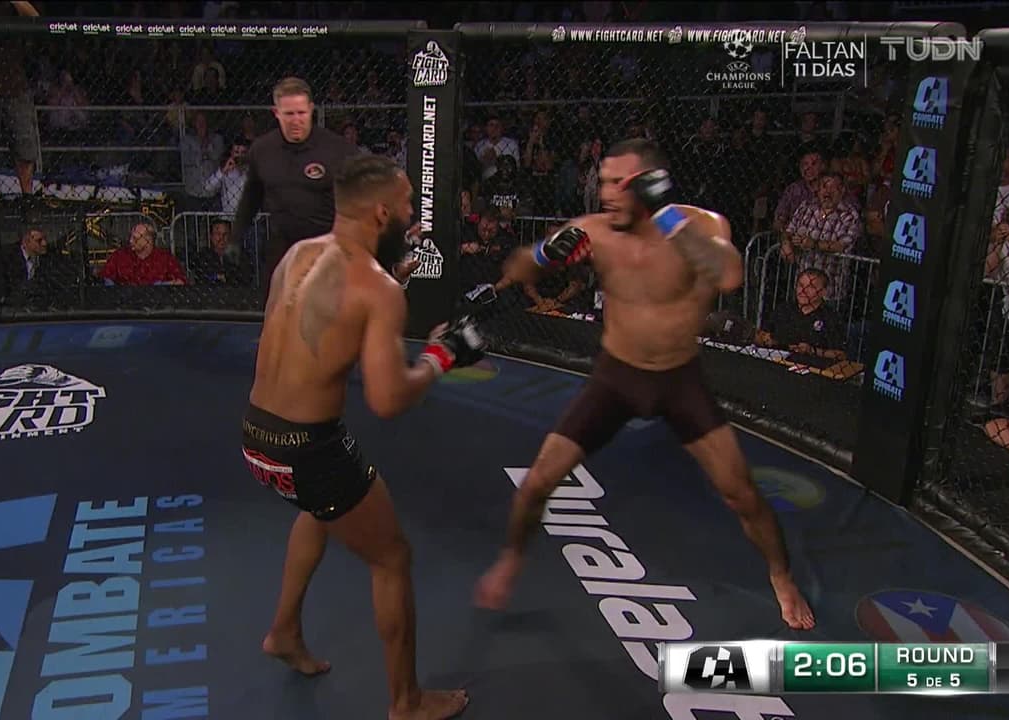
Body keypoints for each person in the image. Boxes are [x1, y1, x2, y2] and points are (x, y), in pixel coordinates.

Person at [473, 138, 816, 631]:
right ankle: (510, 559)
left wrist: (665, 214)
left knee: (741, 493)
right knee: (537, 483)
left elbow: (727, 275)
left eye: (620, 183)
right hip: (617, 375)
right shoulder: (594, 230)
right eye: (604, 181)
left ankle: (781, 575)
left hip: (679, 380)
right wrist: (547, 252)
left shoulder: (700, 225)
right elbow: (515, 270)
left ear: (652, 184)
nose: (606, 192)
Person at [241, 154, 482, 720]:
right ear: (380, 213)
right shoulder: (377, 289)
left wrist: (387, 284)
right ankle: (407, 702)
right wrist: (442, 356)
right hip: (309, 448)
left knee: (319, 509)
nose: (412, 217)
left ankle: (284, 632)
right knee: (392, 557)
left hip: (255, 434)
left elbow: (320, 325)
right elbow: (388, 399)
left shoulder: (298, 255)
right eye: (406, 206)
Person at [230, 77, 361, 296]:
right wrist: (235, 237)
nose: (296, 120)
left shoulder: (338, 151)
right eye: (289, 114)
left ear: (311, 109)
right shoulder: (262, 150)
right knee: (275, 308)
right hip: (283, 247)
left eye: (301, 113)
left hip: (328, 248)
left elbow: (362, 199)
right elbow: (251, 196)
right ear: (276, 113)